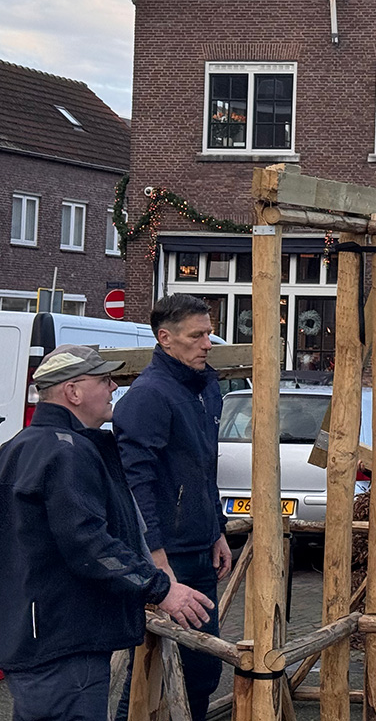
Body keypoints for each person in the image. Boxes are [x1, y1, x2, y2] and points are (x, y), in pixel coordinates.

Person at [0, 345, 213, 721]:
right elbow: (90, 545)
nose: (114, 388)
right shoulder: (67, 453)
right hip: (65, 642)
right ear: (73, 392)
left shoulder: (13, 449)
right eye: (103, 380)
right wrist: (161, 588)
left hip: (30, 637)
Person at [114, 294, 231, 721]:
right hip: (169, 557)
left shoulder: (206, 388)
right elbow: (135, 483)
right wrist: (156, 559)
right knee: (148, 668)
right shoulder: (148, 396)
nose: (207, 343)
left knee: (202, 668)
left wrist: (216, 529)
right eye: (197, 336)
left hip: (200, 547)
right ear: (165, 338)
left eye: (209, 333)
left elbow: (203, 468)